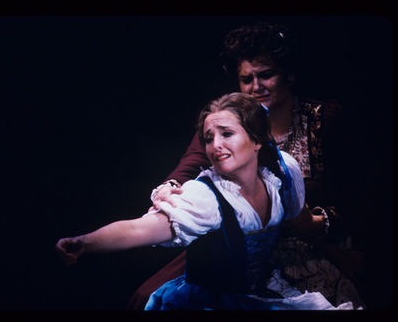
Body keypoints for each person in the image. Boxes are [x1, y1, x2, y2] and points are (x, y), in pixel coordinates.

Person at [127, 22, 365, 310]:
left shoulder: (326, 120)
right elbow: (191, 162)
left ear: (288, 75)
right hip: (235, 249)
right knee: (147, 298)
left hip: (306, 247)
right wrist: (170, 186)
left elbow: (357, 197)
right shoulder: (227, 125)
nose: (256, 87)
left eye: (266, 75)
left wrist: (313, 223)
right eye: (246, 79)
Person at [56, 93, 357, 310]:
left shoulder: (282, 174)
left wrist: (332, 227)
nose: (216, 145)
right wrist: (86, 242)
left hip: (261, 292)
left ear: (256, 141)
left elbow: (300, 218)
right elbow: (139, 229)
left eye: (227, 134)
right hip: (206, 302)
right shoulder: (206, 196)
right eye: (209, 138)